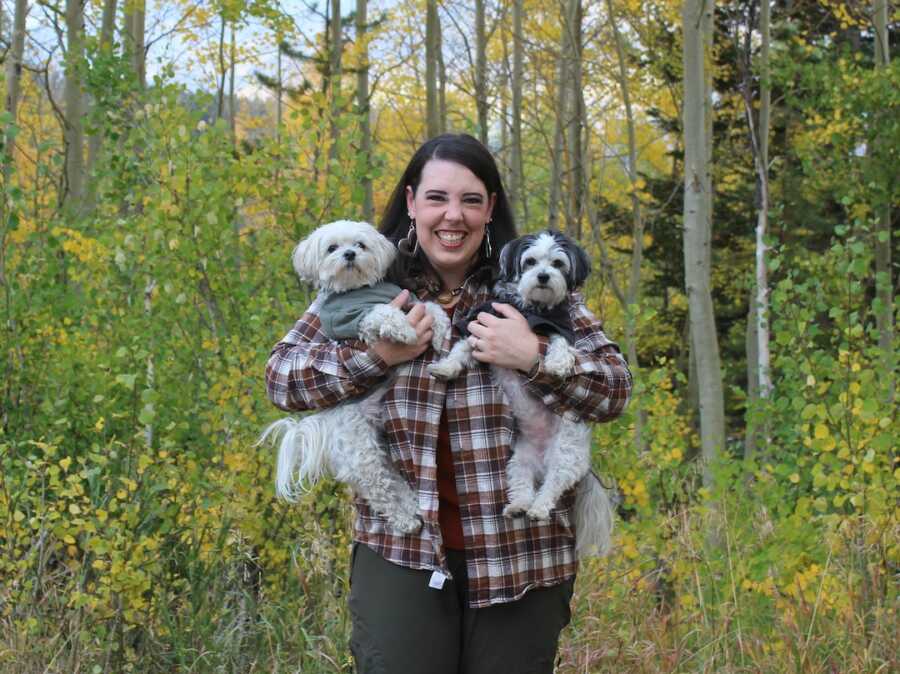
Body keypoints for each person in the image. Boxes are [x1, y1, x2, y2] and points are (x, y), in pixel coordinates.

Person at [265, 133, 632, 674]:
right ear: (412, 203)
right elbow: (282, 378)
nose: (452, 216)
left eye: (471, 200)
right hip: (401, 552)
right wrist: (377, 358)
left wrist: (532, 355)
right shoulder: (365, 283)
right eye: (437, 198)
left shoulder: (532, 284)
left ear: (490, 211)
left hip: (522, 556)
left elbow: (614, 389)